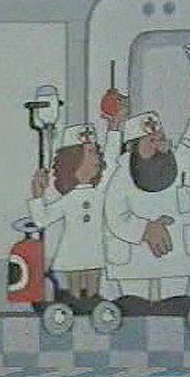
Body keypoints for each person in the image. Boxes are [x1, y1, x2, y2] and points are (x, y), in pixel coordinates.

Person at [101, 80, 190, 302]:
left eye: (161, 139)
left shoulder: (178, 164)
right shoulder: (121, 176)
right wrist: (145, 229)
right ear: (134, 148)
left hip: (177, 258)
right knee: (133, 305)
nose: (158, 145)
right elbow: (114, 215)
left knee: (177, 304)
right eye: (151, 141)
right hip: (133, 261)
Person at [28, 93, 126, 299]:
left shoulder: (99, 190)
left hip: (95, 248)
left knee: (93, 288)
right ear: (74, 160)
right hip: (72, 249)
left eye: (96, 152)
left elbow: (111, 160)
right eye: (90, 153)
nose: (97, 157)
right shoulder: (69, 199)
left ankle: (93, 304)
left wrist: (114, 128)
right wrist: (37, 196)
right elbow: (42, 220)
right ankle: (75, 304)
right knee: (74, 291)